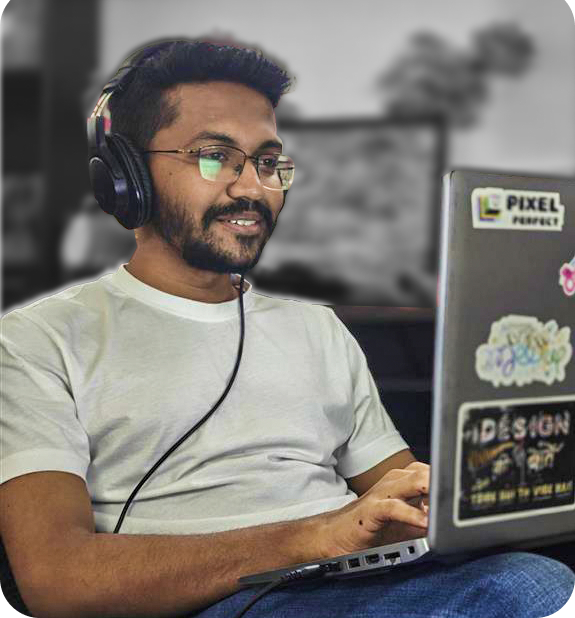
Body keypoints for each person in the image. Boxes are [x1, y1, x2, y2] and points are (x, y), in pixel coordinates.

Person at [0, 38, 573, 618]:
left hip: (356, 579)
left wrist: (484, 483)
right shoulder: (38, 340)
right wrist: (316, 536)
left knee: (539, 577)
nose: (253, 188)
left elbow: (400, 490)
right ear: (126, 179)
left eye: (268, 162)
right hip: (214, 600)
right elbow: (57, 577)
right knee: (526, 592)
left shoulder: (317, 327)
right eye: (214, 156)